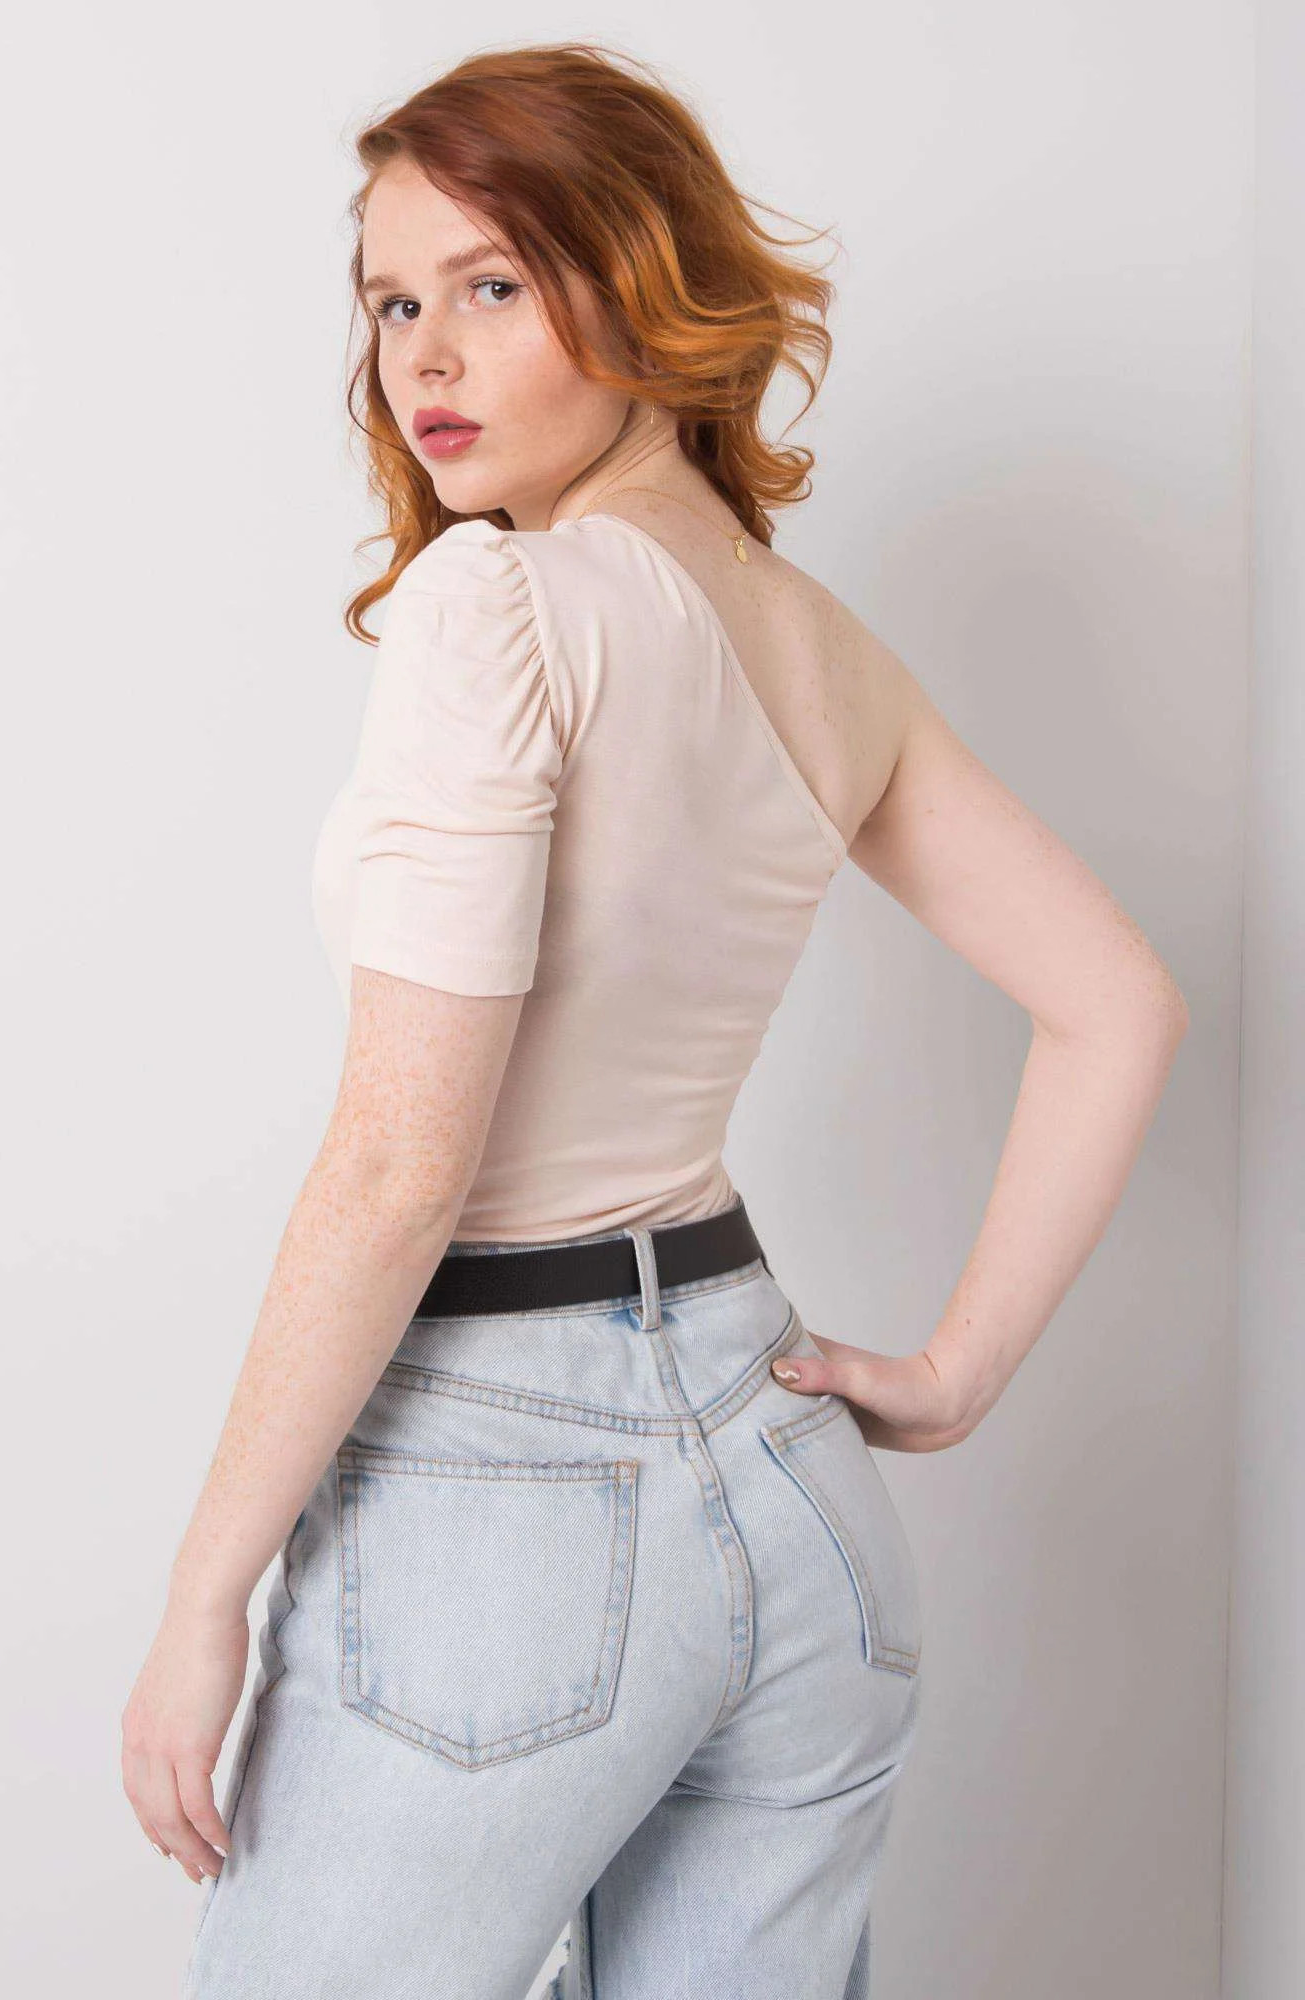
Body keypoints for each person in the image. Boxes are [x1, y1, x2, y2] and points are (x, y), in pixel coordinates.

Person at [120, 41, 1189, 2000]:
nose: (424, 356)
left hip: (507, 1498)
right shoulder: (826, 652)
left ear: (639, 279)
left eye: (492, 282)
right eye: (391, 301)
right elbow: (1117, 1001)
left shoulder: (499, 609)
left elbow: (398, 1165)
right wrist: (953, 1373)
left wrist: (207, 1592)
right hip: (793, 1492)